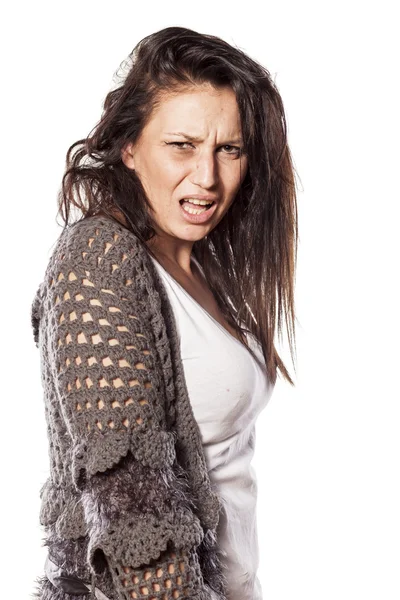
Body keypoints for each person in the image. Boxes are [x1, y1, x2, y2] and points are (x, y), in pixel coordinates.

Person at [30, 26, 298, 600]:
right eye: (182, 145)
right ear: (129, 148)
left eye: (229, 149)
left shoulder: (206, 269)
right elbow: (136, 531)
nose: (207, 177)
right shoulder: (97, 263)